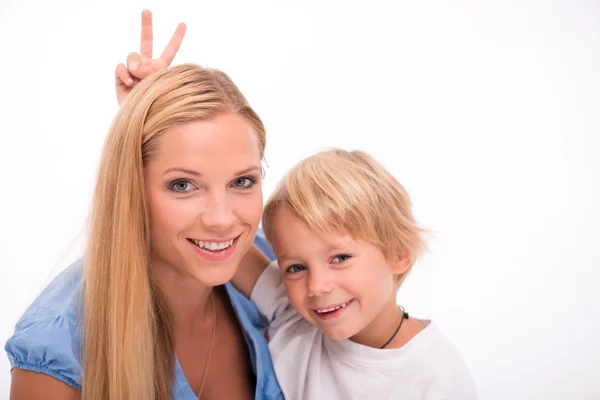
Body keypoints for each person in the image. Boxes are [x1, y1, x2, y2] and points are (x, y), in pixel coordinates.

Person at [5, 12, 284, 400]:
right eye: (183, 185)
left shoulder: (269, 266)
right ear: (130, 188)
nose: (223, 220)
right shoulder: (61, 344)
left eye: (242, 181)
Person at [232, 149, 478, 399]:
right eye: (296, 268)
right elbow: (223, 246)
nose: (317, 286)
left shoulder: (437, 381)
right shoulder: (293, 317)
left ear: (398, 254)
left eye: (340, 258)